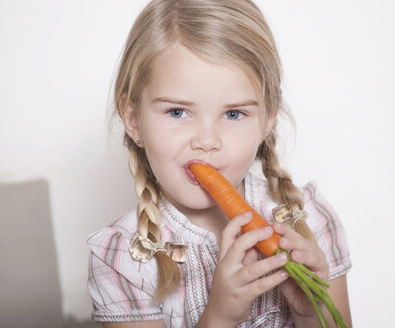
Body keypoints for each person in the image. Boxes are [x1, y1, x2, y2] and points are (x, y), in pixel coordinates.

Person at [87, 0, 352, 327]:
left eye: (233, 114)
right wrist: (220, 317)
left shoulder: (307, 218)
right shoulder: (125, 259)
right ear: (134, 119)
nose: (206, 140)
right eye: (177, 112)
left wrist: (310, 311)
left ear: (267, 120)